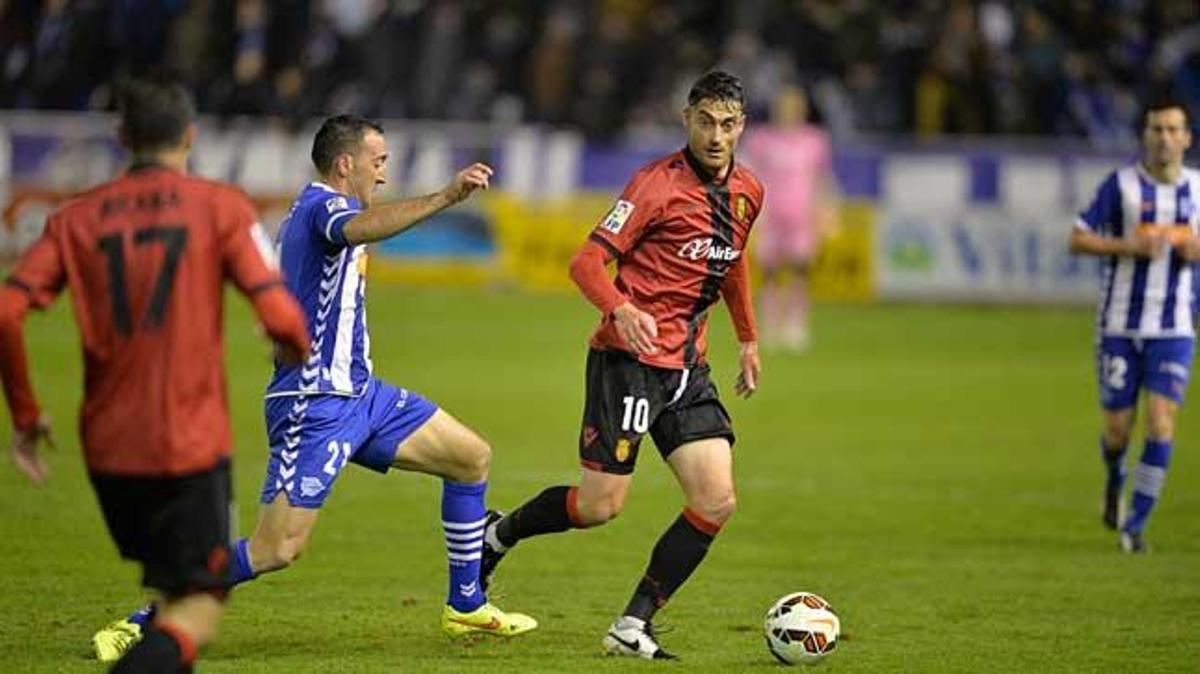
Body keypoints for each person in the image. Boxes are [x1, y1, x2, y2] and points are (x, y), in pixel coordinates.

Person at [92, 114, 536, 662]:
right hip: (315, 402)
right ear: (344, 163)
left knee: (471, 457)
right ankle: (144, 623)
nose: (383, 172)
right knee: (275, 548)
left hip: (363, 394)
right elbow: (359, 230)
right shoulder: (323, 207)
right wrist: (447, 195)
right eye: (378, 161)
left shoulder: (327, 212)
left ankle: (465, 604)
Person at [0, 77, 311, 672]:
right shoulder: (220, 206)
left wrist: (26, 416)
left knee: (174, 599)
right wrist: (294, 345)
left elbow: (8, 312)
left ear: (122, 137)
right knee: (195, 611)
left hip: (109, 451)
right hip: (189, 444)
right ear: (190, 135)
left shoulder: (74, 219)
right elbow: (281, 316)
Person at [478, 70, 763, 659]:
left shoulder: (749, 193)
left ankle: (632, 624)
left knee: (716, 499)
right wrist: (622, 308)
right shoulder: (654, 185)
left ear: (742, 127)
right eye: (705, 121)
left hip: (688, 369)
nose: (715, 135)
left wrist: (749, 339)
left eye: (727, 124)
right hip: (627, 363)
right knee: (600, 505)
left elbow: (731, 263)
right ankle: (496, 534)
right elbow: (585, 263)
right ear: (687, 119)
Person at [1068, 98, 1200, 553]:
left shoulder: (1198, 190)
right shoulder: (1121, 186)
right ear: (1146, 136)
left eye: (1172, 130)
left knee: (1162, 423)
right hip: (1119, 327)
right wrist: (1128, 246)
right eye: (1156, 129)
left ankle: (1135, 525)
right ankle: (1113, 478)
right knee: (1118, 431)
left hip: (1176, 330)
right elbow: (1078, 237)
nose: (1164, 138)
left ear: (1187, 138)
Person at [741, 84, 839, 352]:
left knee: (800, 271)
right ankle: (770, 324)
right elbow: (748, 177)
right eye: (783, 107)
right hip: (770, 215)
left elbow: (822, 179)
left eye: (793, 107)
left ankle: (796, 324)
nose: (788, 112)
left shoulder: (814, 140)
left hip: (802, 215)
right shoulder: (760, 139)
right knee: (770, 272)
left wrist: (828, 211)